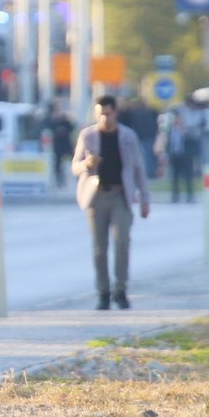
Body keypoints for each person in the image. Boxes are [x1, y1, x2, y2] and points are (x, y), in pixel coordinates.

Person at [71, 95, 150, 311]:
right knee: (100, 247)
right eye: (100, 115)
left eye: (108, 113)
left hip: (120, 195)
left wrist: (144, 198)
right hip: (96, 196)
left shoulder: (127, 136)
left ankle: (121, 289)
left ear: (115, 112)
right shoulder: (88, 136)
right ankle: (103, 292)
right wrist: (86, 164)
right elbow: (75, 166)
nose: (104, 118)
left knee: (122, 242)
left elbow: (138, 168)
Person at [157, 110, 199, 203]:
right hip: (174, 155)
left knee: (188, 176)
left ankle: (190, 195)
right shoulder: (170, 130)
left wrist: (184, 131)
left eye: (178, 119)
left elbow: (193, 141)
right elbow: (167, 143)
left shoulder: (187, 130)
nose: (176, 121)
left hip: (185, 155)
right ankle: (175, 195)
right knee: (175, 176)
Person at [46, 101, 74, 188]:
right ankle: (59, 180)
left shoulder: (64, 118)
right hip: (57, 144)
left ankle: (75, 176)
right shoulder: (50, 119)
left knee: (72, 158)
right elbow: (48, 128)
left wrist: (64, 119)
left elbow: (71, 127)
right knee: (58, 163)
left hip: (66, 143)